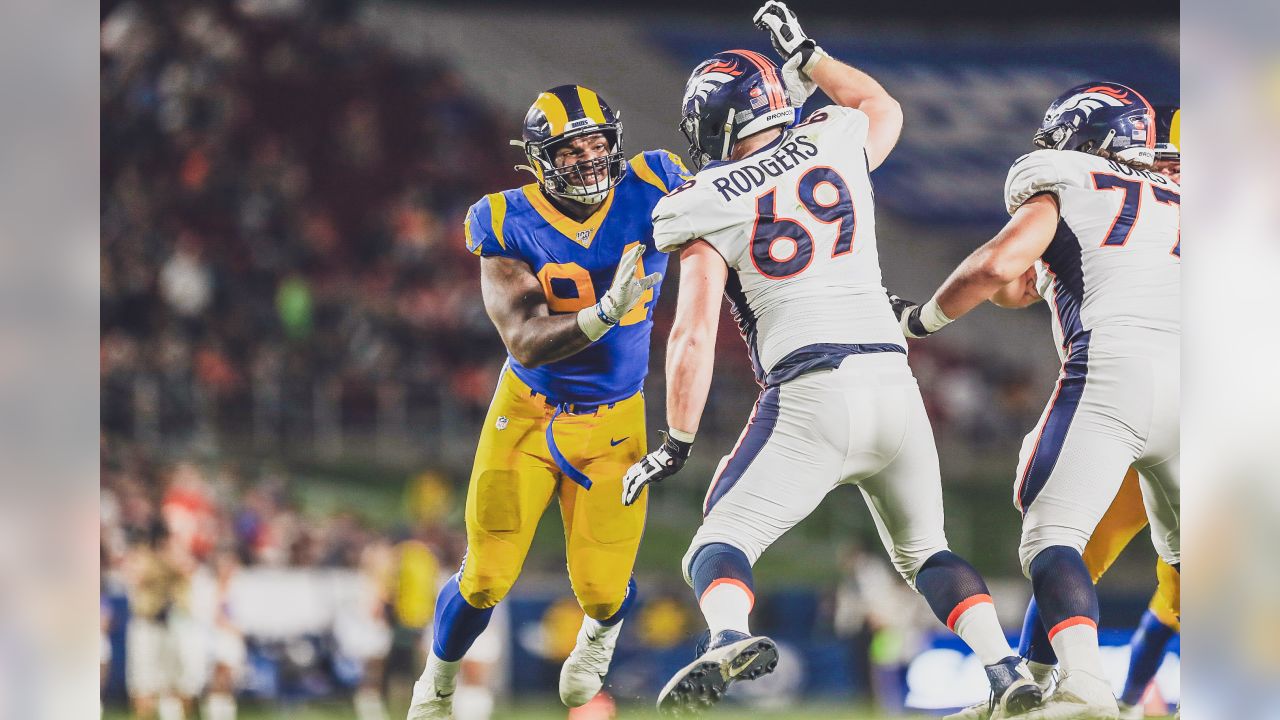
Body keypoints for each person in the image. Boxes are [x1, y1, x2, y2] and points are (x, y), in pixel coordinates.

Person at [620, 3, 1041, 716]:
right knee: (927, 554)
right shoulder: (836, 136)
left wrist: (676, 441)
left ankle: (727, 635)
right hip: (897, 383)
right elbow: (879, 103)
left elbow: (690, 334)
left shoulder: (702, 200)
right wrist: (809, 53)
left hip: (813, 388)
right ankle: (1005, 669)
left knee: (717, 541)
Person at [890, 82, 1180, 720]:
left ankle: (1087, 690)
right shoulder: (1180, 198)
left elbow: (999, 266)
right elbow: (1026, 285)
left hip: (1115, 374)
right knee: (1197, 566)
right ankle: (1040, 694)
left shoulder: (1067, 182)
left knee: (1052, 536)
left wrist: (921, 320)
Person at [407, 84, 692, 719]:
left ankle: (599, 635)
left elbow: (733, 211)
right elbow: (525, 341)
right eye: (572, 149)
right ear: (540, 158)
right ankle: (438, 683)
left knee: (601, 586)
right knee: (485, 575)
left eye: (598, 143)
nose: (590, 159)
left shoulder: (657, 180)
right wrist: (601, 317)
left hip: (616, 421)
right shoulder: (505, 218)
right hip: (528, 416)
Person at [998, 106, 1182, 720]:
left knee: (1070, 543)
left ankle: (1101, 696)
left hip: (1134, 391)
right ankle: (1046, 685)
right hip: (1176, 399)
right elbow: (1013, 279)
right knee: (1080, 549)